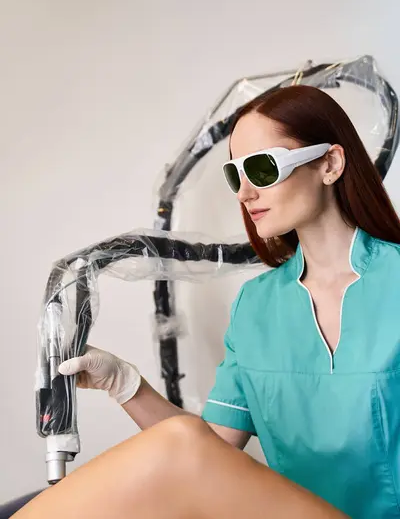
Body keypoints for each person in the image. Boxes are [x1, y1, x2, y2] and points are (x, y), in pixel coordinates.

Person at [13, 85, 400, 519]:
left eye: (262, 168)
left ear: (329, 163)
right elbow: (206, 458)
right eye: (236, 175)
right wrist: (124, 384)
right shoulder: (257, 306)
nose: (245, 192)